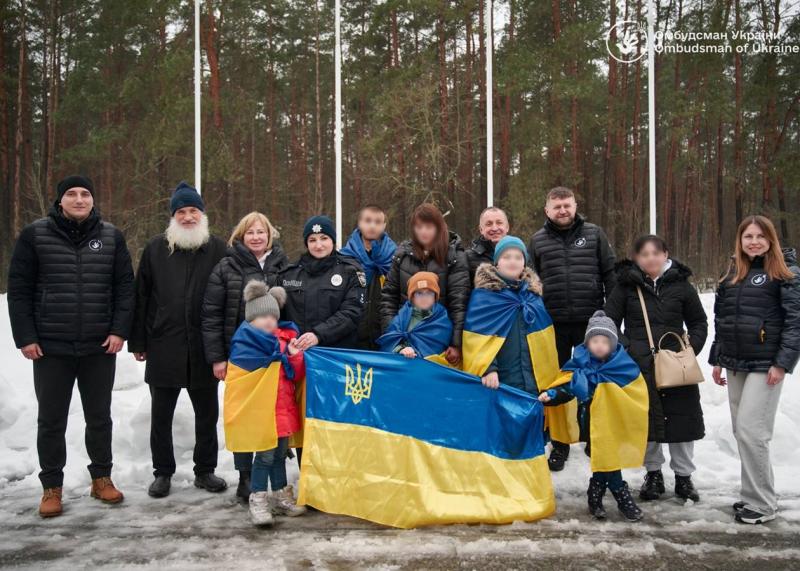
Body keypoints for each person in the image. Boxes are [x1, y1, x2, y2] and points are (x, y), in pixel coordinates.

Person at [7, 175, 134, 518]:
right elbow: (19, 289)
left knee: (99, 418)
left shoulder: (111, 237)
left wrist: (119, 330)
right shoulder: (35, 235)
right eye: (72, 194)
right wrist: (27, 336)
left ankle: (102, 478)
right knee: (51, 420)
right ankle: (52, 487)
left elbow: (125, 289)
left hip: (98, 347)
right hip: (51, 348)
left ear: (93, 200)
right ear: (60, 200)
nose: (79, 199)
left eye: (85, 194)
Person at [129, 182, 228, 498]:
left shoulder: (218, 249)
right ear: (173, 216)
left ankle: (205, 470)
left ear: (202, 214)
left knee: (207, 415)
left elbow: (229, 299)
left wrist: (225, 346)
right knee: (161, 416)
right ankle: (162, 472)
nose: (187, 217)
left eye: (193, 211)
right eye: (181, 211)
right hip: (164, 344)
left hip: (204, 346)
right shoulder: (156, 249)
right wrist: (139, 341)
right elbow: (141, 296)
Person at [709, 215, 800, 525]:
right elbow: (722, 319)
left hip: (766, 365)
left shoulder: (785, 273)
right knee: (742, 432)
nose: (754, 241)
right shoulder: (733, 273)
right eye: (748, 236)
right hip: (735, 363)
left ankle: (762, 503)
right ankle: (752, 496)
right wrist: (718, 358)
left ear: (771, 239)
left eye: (760, 236)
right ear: (740, 240)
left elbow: (794, 323)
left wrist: (782, 364)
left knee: (752, 431)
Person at [604, 235, 707, 503]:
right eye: (644, 254)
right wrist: (627, 350)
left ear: (666, 254)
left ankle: (684, 477)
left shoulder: (682, 286)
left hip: (676, 366)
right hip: (640, 366)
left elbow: (699, 322)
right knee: (647, 421)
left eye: (655, 253)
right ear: (637, 258)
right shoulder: (625, 287)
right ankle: (653, 474)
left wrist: (689, 350)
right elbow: (609, 322)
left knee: (682, 419)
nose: (650, 258)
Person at [201, 211, 289, 500]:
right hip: (240, 359)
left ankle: (272, 480)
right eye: (250, 232)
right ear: (241, 235)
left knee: (269, 420)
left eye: (261, 232)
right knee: (243, 419)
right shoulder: (225, 267)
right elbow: (212, 314)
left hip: (272, 359)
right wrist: (217, 357)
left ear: (269, 235)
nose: (256, 237)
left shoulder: (282, 265)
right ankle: (245, 477)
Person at [528, 186, 617, 471]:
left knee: (593, 382)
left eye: (567, 205)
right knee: (557, 383)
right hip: (552, 325)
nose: (563, 211)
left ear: (575, 206)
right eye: (557, 206)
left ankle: (594, 436)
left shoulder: (594, 234)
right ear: (547, 210)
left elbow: (610, 275)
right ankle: (560, 443)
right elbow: (531, 281)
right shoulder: (537, 241)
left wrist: (610, 318)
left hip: (590, 325)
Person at [540, 311, 648, 522]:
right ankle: (607, 494)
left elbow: (636, 392)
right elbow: (567, 388)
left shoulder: (623, 367)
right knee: (604, 459)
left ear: (613, 344)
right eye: (594, 340)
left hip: (613, 424)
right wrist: (552, 394)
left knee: (608, 459)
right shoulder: (580, 366)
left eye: (604, 341)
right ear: (587, 342)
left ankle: (609, 493)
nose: (599, 345)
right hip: (590, 424)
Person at [279, 215, 366, 465]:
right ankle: (308, 476)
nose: (319, 245)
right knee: (306, 422)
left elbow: (352, 313)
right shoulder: (288, 275)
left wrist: (318, 334)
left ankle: (336, 481)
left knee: (336, 422)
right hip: (302, 364)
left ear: (333, 240)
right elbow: (279, 317)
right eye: (313, 239)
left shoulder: (350, 270)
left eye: (324, 238)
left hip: (337, 360)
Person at [223, 280, 307, 526]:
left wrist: (293, 355)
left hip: (283, 410)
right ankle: (258, 499)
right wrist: (276, 358)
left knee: (280, 455)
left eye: (273, 315)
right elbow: (243, 376)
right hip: (262, 413)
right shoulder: (245, 344)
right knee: (265, 457)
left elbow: (296, 373)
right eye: (262, 316)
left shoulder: (283, 341)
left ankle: (281, 495)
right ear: (251, 319)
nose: (269, 320)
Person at [462, 236, 564, 404]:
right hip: (502, 379)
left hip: (534, 380)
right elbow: (476, 341)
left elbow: (545, 341)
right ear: (497, 263)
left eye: (518, 257)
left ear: (524, 263)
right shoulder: (484, 296)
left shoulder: (533, 295)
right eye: (506, 257)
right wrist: (488, 369)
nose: (512, 261)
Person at [380, 203, 470, 366]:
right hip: (404, 343)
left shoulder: (454, 256)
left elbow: (459, 303)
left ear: (439, 227)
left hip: (439, 341)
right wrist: (395, 339)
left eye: (429, 227)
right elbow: (388, 298)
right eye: (419, 227)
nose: (423, 232)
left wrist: (456, 343)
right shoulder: (402, 255)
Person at [339, 205, 397, 349]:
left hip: (386, 335)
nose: (372, 225)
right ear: (359, 223)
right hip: (353, 337)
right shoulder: (344, 258)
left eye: (377, 222)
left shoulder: (395, 257)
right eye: (368, 220)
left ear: (384, 225)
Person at [376, 271, 453, 361]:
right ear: (412, 297)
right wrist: (401, 349)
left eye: (429, 293)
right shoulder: (402, 316)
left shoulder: (442, 320)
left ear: (435, 297)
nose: (424, 297)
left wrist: (416, 352)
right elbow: (390, 341)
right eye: (419, 293)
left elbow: (437, 350)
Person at [465, 207, 510, 281]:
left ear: (507, 227)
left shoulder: (519, 254)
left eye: (499, 223)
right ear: (481, 229)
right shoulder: (468, 258)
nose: (494, 228)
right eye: (489, 224)